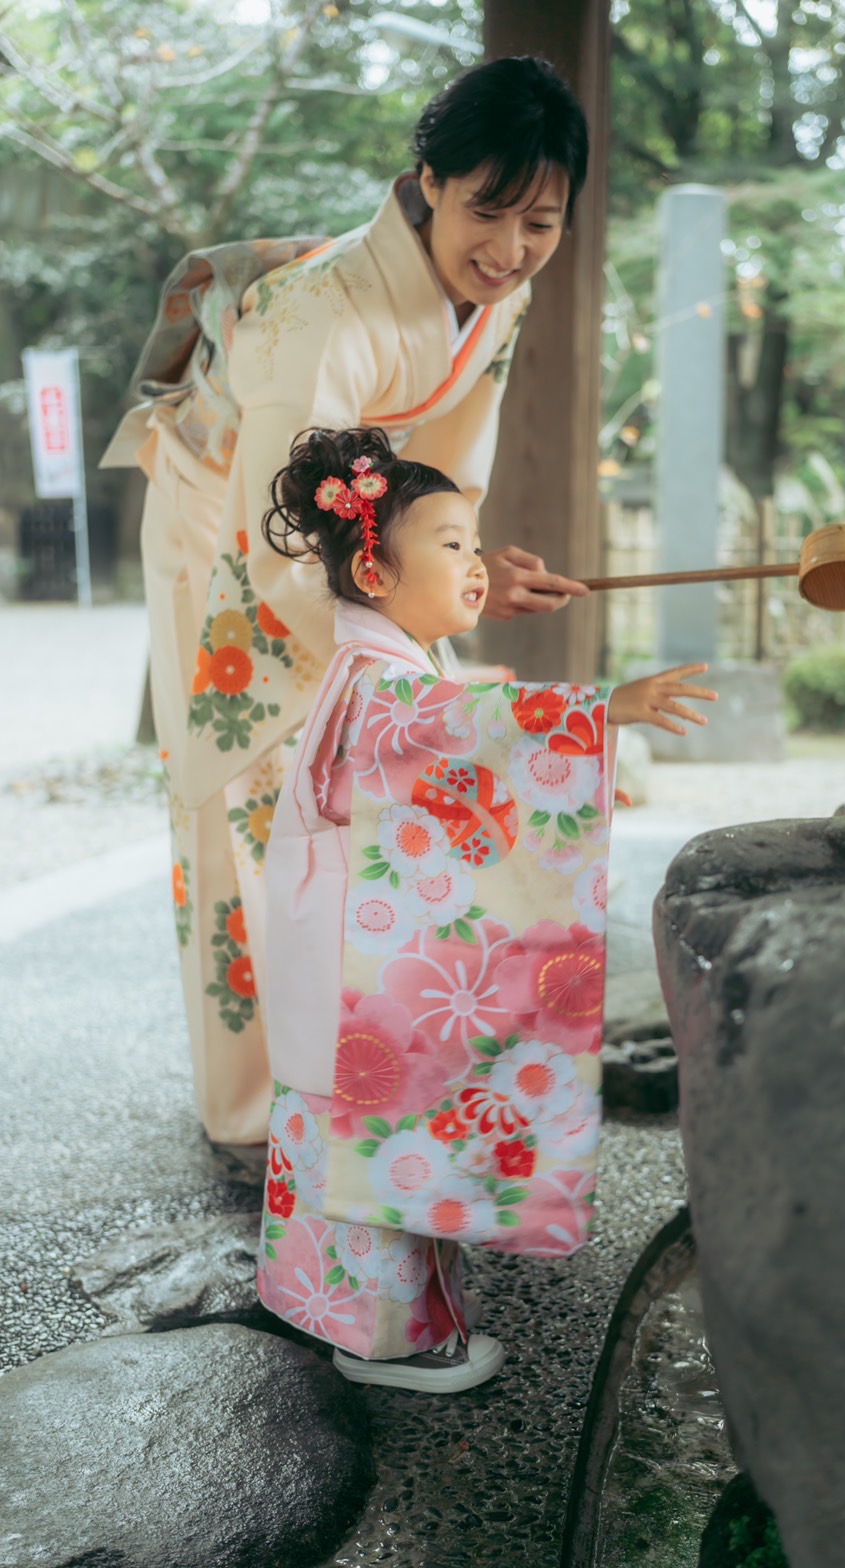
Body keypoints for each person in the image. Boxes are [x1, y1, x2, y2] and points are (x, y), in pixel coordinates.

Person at [101, 56, 595, 1145]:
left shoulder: (496, 297)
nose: (512, 250)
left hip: (344, 536)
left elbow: (441, 471)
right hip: (224, 525)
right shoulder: (318, 313)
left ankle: (372, 1072)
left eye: (543, 224)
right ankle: (257, 1114)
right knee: (254, 796)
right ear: (429, 178)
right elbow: (275, 527)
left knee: (381, 786)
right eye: (489, 210)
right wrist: (405, 610)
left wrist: (459, 562)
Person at [256, 424, 717, 1392]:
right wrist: (601, 714)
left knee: (354, 1143)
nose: (476, 561)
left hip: (344, 951)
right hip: (355, 970)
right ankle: (390, 1341)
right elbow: (465, 733)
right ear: (375, 570)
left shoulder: (380, 669)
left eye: (474, 540)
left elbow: (459, 746)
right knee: (377, 1148)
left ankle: (359, 1321)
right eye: (453, 543)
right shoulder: (386, 685)